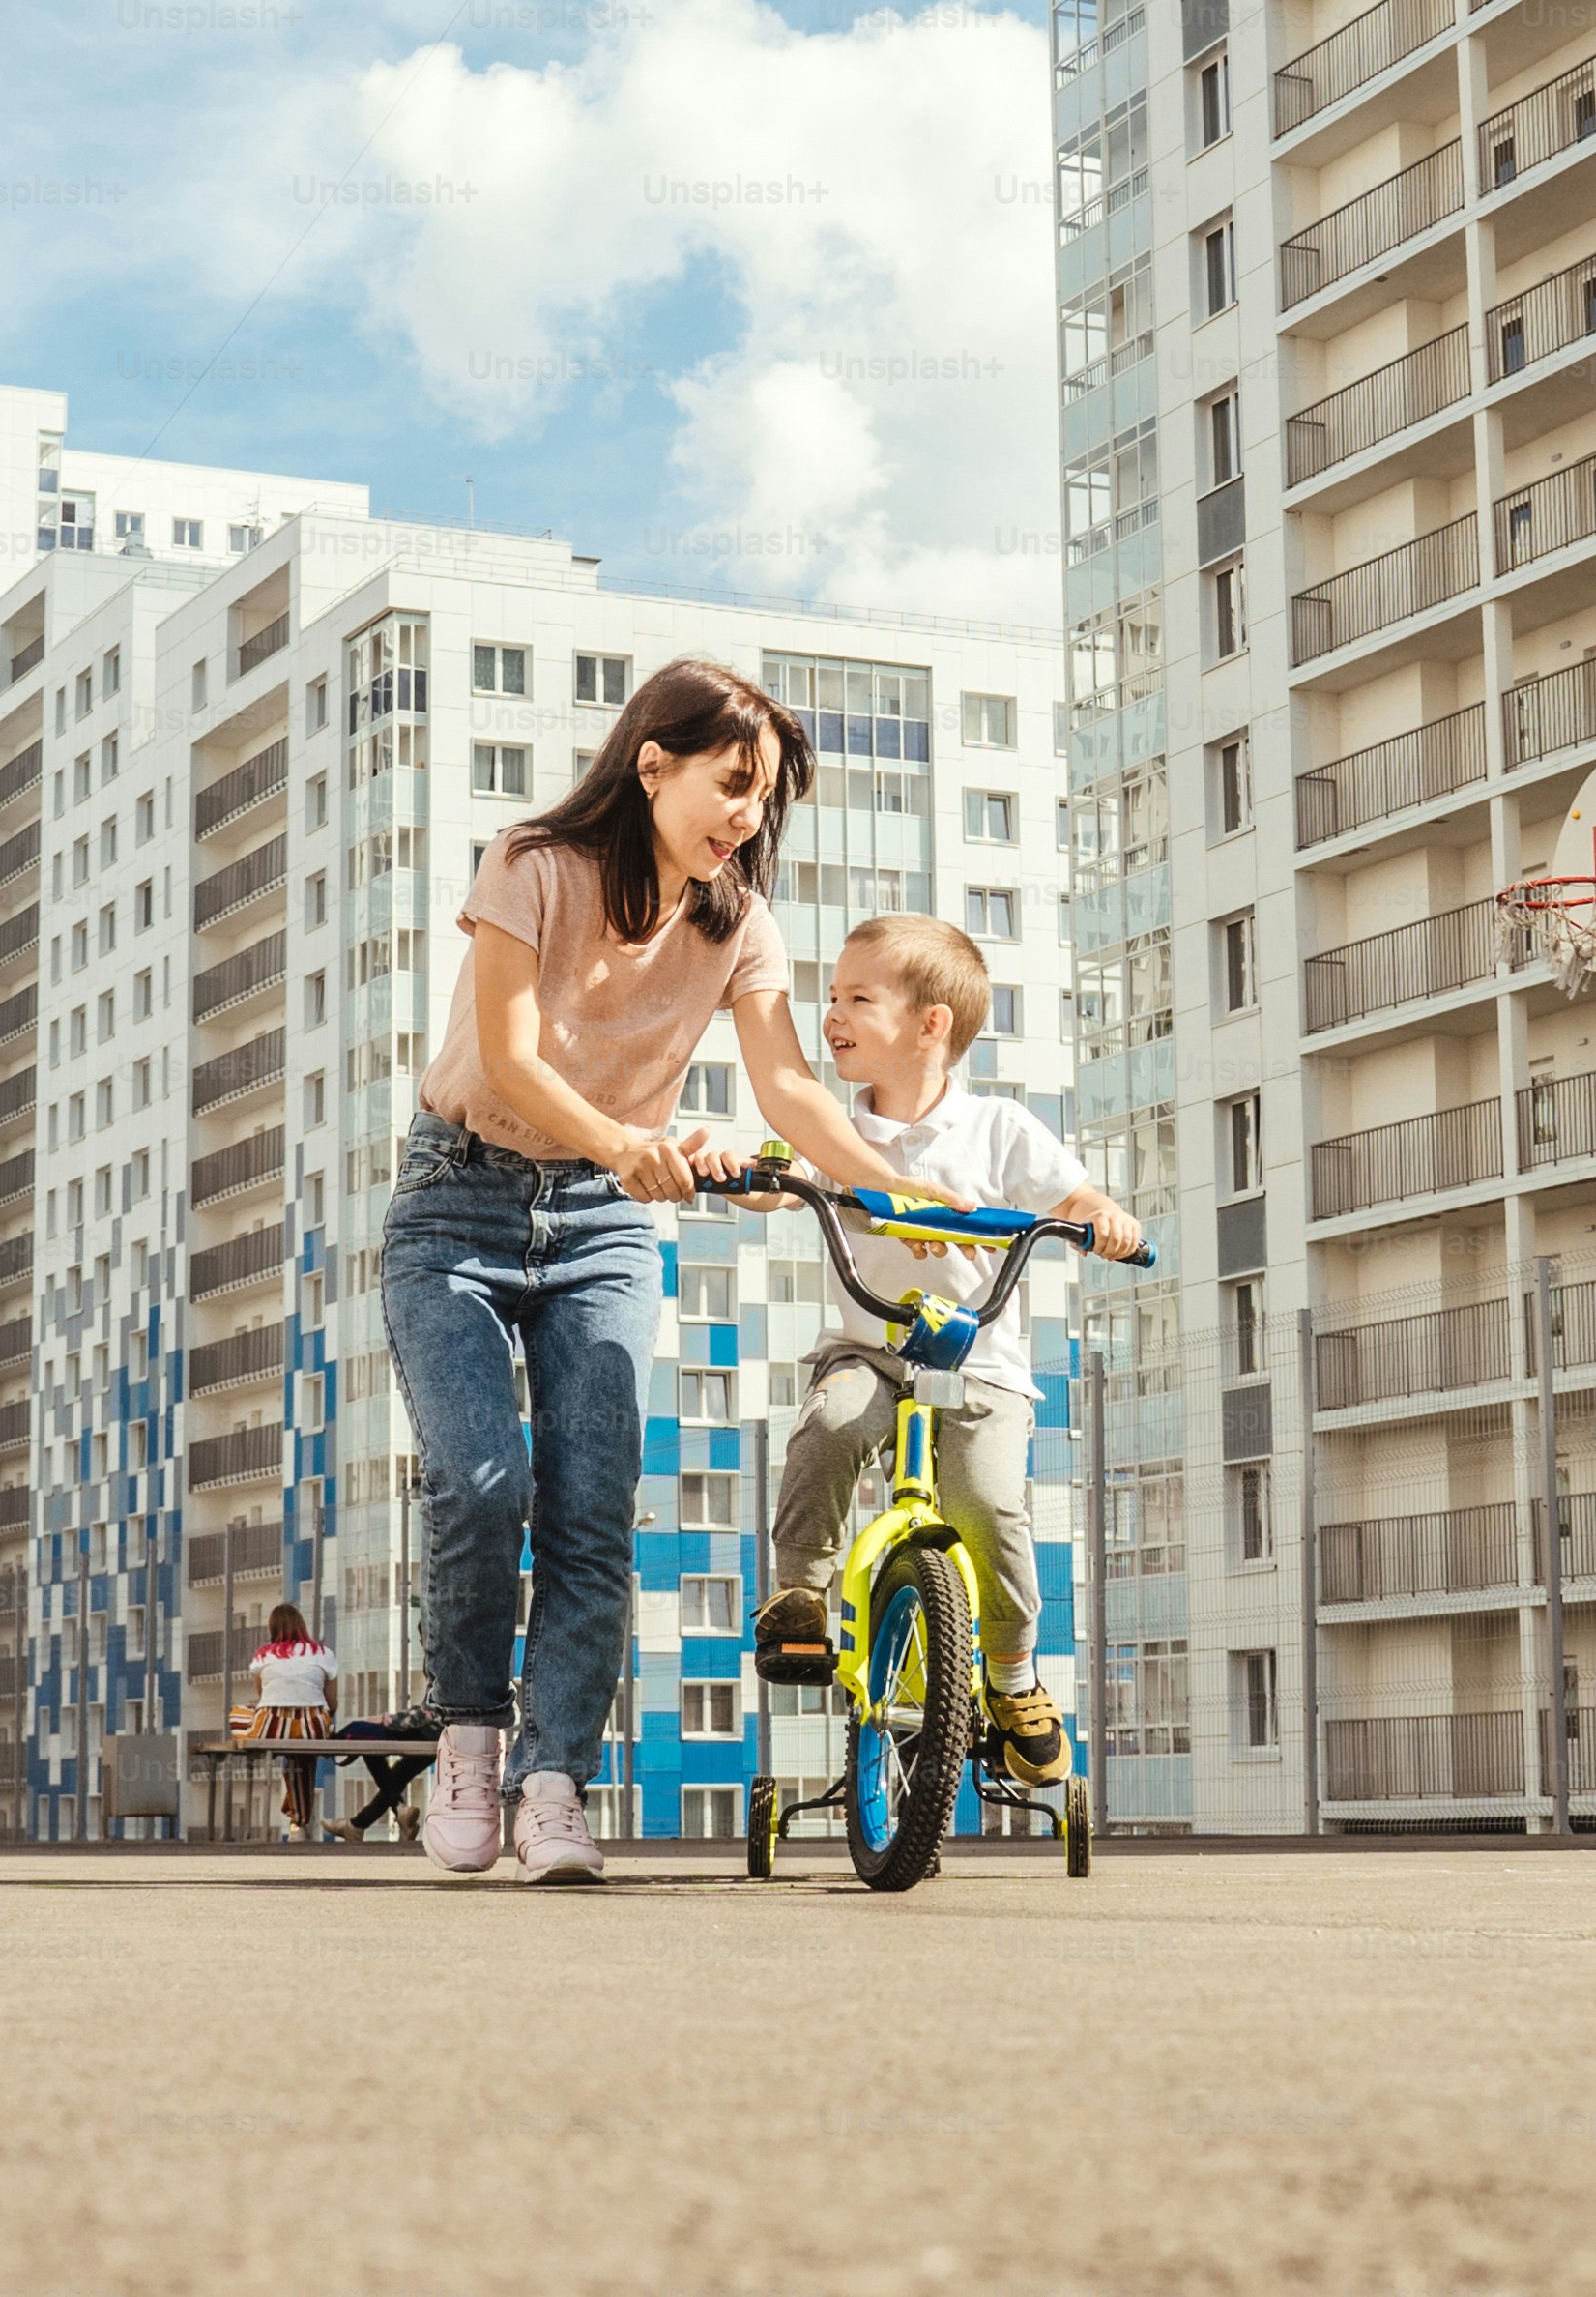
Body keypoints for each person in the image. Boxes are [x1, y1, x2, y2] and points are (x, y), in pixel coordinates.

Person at [389, 658, 972, 1886]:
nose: (745, 818)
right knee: (482, 1481)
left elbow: (788, 1088)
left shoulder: (733, 919)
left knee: (593, 1507)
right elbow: (506, 1052)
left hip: (602, 1223)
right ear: (652, 764)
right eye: (731, 786)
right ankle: (470, 1735)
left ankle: (553, 1784)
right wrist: (625, 1140)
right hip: (457, 1205)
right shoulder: (531, 866)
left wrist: (908, 1189)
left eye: (761, 799)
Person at [732, 915, 1146, 1787]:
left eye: (857, 998)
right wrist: (758, 1183)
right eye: (831, 996)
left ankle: (1010, 1671)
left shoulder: (997, 1129)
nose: (831, 1014)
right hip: (865, 1347)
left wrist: (1103, 1218)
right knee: (830, 1425)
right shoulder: (836, 1131)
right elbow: (782, 1170)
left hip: (975, 1360)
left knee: (989, 1505)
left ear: (931, 1025)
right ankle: (800, 1595)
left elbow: (1074, 1195)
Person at [242, 1604, 337, 1842]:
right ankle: (299, 1822)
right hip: (312, 1724)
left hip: (271, 1725)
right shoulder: (323, 1654)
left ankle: (297, 1820)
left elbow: (264, 1698)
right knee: (300, 1754)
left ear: (272, 1628)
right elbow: (332, 1702)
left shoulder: (263, 1655)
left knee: (241, 1713)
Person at [320, 1703, 441, 1843]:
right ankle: (358, 1825)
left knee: (362, 1733)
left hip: (429, 1733)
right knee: (397, 1776)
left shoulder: (444, 1681)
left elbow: (431, 1711)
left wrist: (387, 1720)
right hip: (441, 1736)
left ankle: (394, 1811)